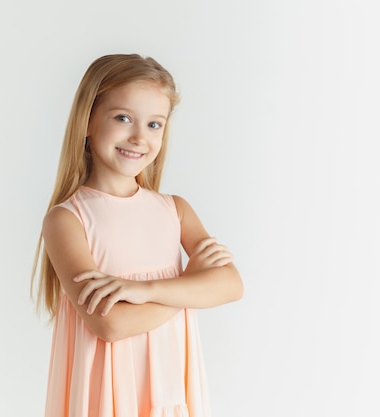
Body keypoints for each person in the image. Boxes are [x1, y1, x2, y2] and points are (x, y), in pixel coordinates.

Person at [32, 53, 243, 417]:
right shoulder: (67, 220)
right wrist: (190, 284)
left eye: (154, 124)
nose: (138, 137)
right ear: (88, 120)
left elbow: (230, 285)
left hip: (172, 389)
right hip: (108, 397)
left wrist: (144, 291)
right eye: (123, 118)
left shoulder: (174, 210)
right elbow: (111, 324)